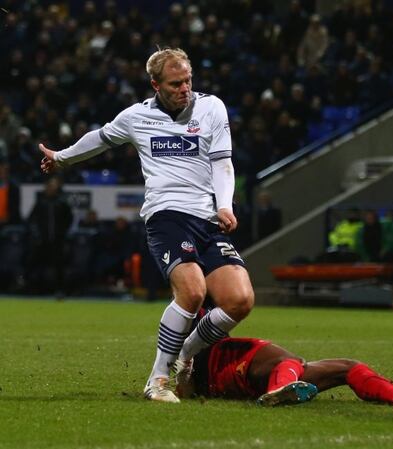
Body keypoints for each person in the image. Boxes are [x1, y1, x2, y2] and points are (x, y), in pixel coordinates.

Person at [38, 48, 254, 403]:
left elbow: (222, 162)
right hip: (166, 215)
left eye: (188, 80)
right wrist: (61, 158)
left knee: (240, 300)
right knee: (193, 291)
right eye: (175, 83)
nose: (184, 88)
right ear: (156, 84)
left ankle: (186, 353)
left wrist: (225, 205)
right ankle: (157, 380)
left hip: (208, 218)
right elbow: (101, 138)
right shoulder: (136, 117)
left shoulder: (212, 107)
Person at [179, 316, 393, 407]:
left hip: (244, 374)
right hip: (236, 363)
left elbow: (186, 392)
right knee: (288, 360)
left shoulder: (190, 306)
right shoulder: (193, 306)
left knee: (347, 367)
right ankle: (279, 390)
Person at [26, 177, 73, 295]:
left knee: (58, 266)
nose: (51, 189)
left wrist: (63, 233)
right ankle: (36, 288)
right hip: (42, 240)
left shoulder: (62, 203)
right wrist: (37, 235)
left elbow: (69, 220)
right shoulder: (41, 202)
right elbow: (32, 220)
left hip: (58, 240)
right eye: (50, 186)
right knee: (38, 265)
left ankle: (60, 289)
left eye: (54, 186)